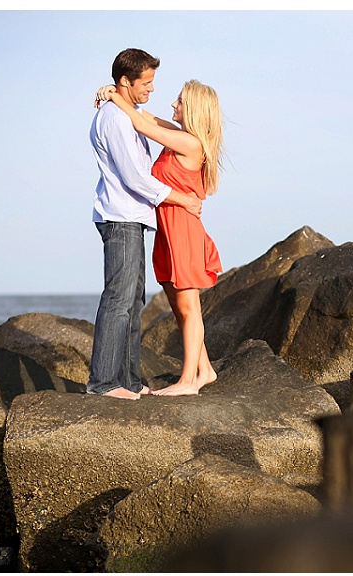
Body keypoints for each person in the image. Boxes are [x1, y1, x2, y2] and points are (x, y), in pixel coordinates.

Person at [95, 78, 225, 396]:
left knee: (188, 307)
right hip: (166, 233)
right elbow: (147, 118)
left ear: (193, 110)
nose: (173, 104)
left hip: (183, 233)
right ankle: (204, 370)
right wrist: (118, 95)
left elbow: (140, 123)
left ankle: (188, 382)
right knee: (178, 307)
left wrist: (113, 95)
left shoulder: (191, 144)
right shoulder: (179, 137)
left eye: (179, 101)